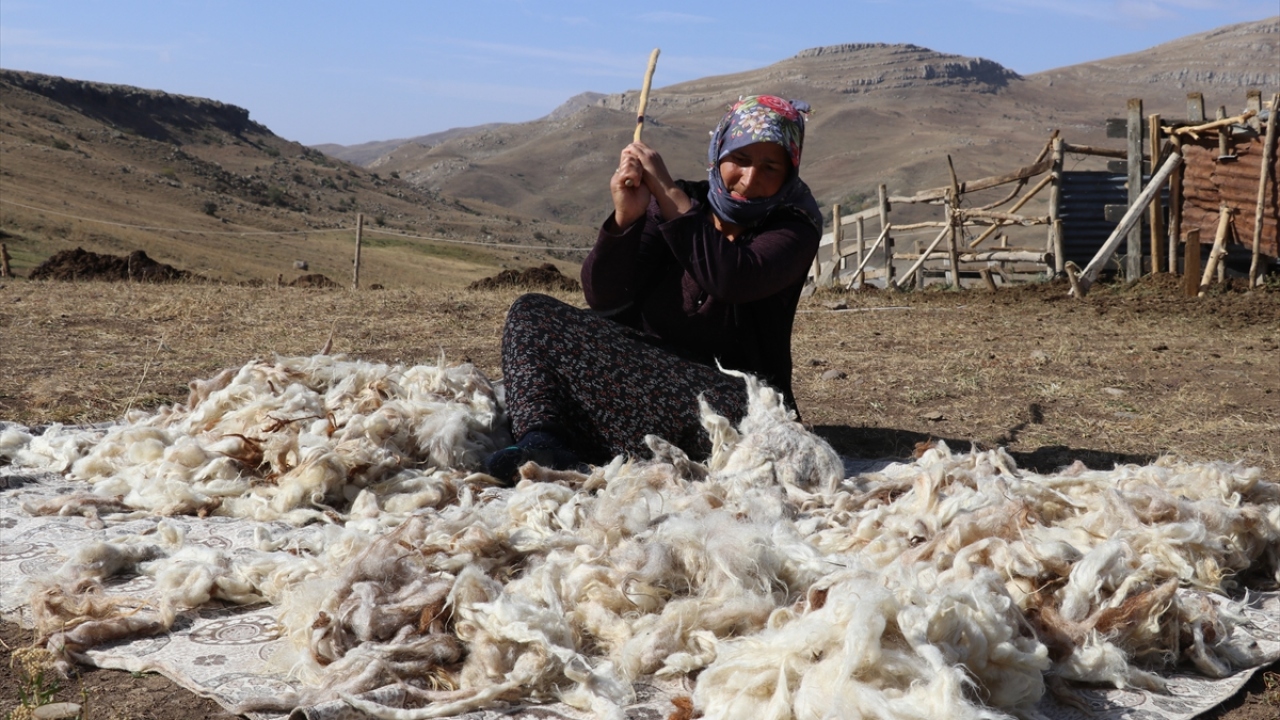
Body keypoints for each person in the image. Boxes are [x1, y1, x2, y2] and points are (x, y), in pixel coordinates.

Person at [484, 95, 823, 483]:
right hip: (646, 376)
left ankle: (591, 440)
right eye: (741, 160)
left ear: (789, 171)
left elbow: (731, 278)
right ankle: (543, 443)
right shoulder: (681, 202)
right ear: (719, 153)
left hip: (738, 404)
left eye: (769, 166)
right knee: (531, 314)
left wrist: (669, 195)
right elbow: (606, 298)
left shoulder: (795, 226)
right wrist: (626, 218)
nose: (749, 179)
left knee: (710, 406)